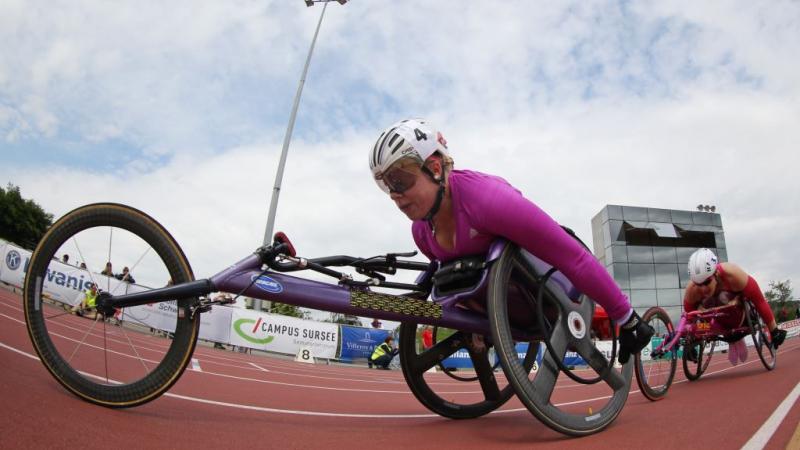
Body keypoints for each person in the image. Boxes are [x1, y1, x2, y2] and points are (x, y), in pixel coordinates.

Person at [369, 118, 653, 364]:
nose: (394, 194)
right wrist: (468, 322)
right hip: (505, 300)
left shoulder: (488, 200)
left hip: (553, 287)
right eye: (386, 185)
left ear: (434, 167)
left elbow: (573, 256)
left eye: (401, 181)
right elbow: (451, 283)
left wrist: (626, 319)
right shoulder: (421, 232)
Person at [683, 249, 787, 361]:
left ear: (716, 273)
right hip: (714, 322)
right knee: (706, 303)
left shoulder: (733, 274)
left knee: (723, 296)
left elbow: (759, 300)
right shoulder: (691, 291)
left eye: (707, 282)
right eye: (698, 284)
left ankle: (749, 317)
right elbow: (689, 320)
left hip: (739, 315)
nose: (703, 288)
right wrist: (690, 343)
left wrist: (774, 330)